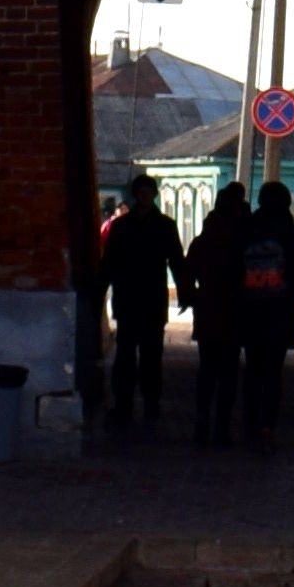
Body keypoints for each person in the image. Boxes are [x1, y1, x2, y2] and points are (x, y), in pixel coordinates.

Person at [98, 175, 188, 434]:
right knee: (125, 356)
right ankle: (124, 404)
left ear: (154, 194)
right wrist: (99, 292)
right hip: (129, 299)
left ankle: (150, 403)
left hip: (150, 300)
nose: (145, 196)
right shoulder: (122, 226)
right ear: (137, 194)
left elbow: (176, 261)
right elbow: (109, 263)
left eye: (149, 191)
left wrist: (184, 292)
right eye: (142, 191)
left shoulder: (164, 226)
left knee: (151, 357)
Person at [238, 171, 294, 445]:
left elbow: (234, 269)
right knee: (273, 372)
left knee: (252, 370)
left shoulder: (248, 227)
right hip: (280, 313)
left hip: (250, 311)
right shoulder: (289, 231)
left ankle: (249, 423)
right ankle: (269, 425)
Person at [185, 179, 258, 445]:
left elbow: (186, 274)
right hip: (235, 314)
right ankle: (221, 428)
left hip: (207, 314)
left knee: (207, 371)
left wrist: (194, 298)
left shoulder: (203, 241)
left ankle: (201, 422)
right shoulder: (243, 240)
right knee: (229, 373)